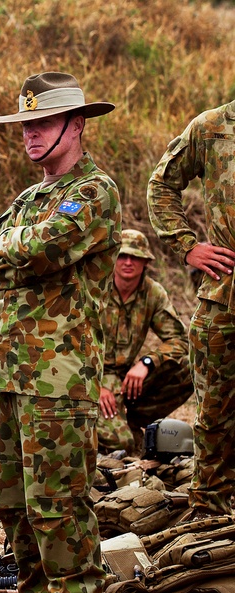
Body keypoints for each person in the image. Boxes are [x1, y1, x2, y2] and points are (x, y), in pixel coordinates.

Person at [0, 72, 121, 593]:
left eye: (42, 124)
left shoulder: (93, 191)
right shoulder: (31, 197)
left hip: (60, 373)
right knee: (15, 499)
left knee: (59, 498)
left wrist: (14, 252)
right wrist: (14, 252)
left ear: (76, 125)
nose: (31, 135)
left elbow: (36, 250)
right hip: (13, 368)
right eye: (25, 125)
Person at [147, 97, 235, 523]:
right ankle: (210, 520)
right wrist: (187, 245)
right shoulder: (213, 126)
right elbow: (161, 184)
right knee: (215, 413)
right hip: (226, 296)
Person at [97, 229, 192, 455]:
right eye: (122, 256)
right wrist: (93, 385)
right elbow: (71, 339)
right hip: (93, 376)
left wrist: (147, 362)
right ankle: (107, 424)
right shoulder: (95, 288)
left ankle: (131, 419)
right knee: (124, 446)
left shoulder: (153, 293)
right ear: (112, 259)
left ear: (145, 261)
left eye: (135, 257)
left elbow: (178, 339)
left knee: (191, 366)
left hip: (128, 379)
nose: (128, 262)